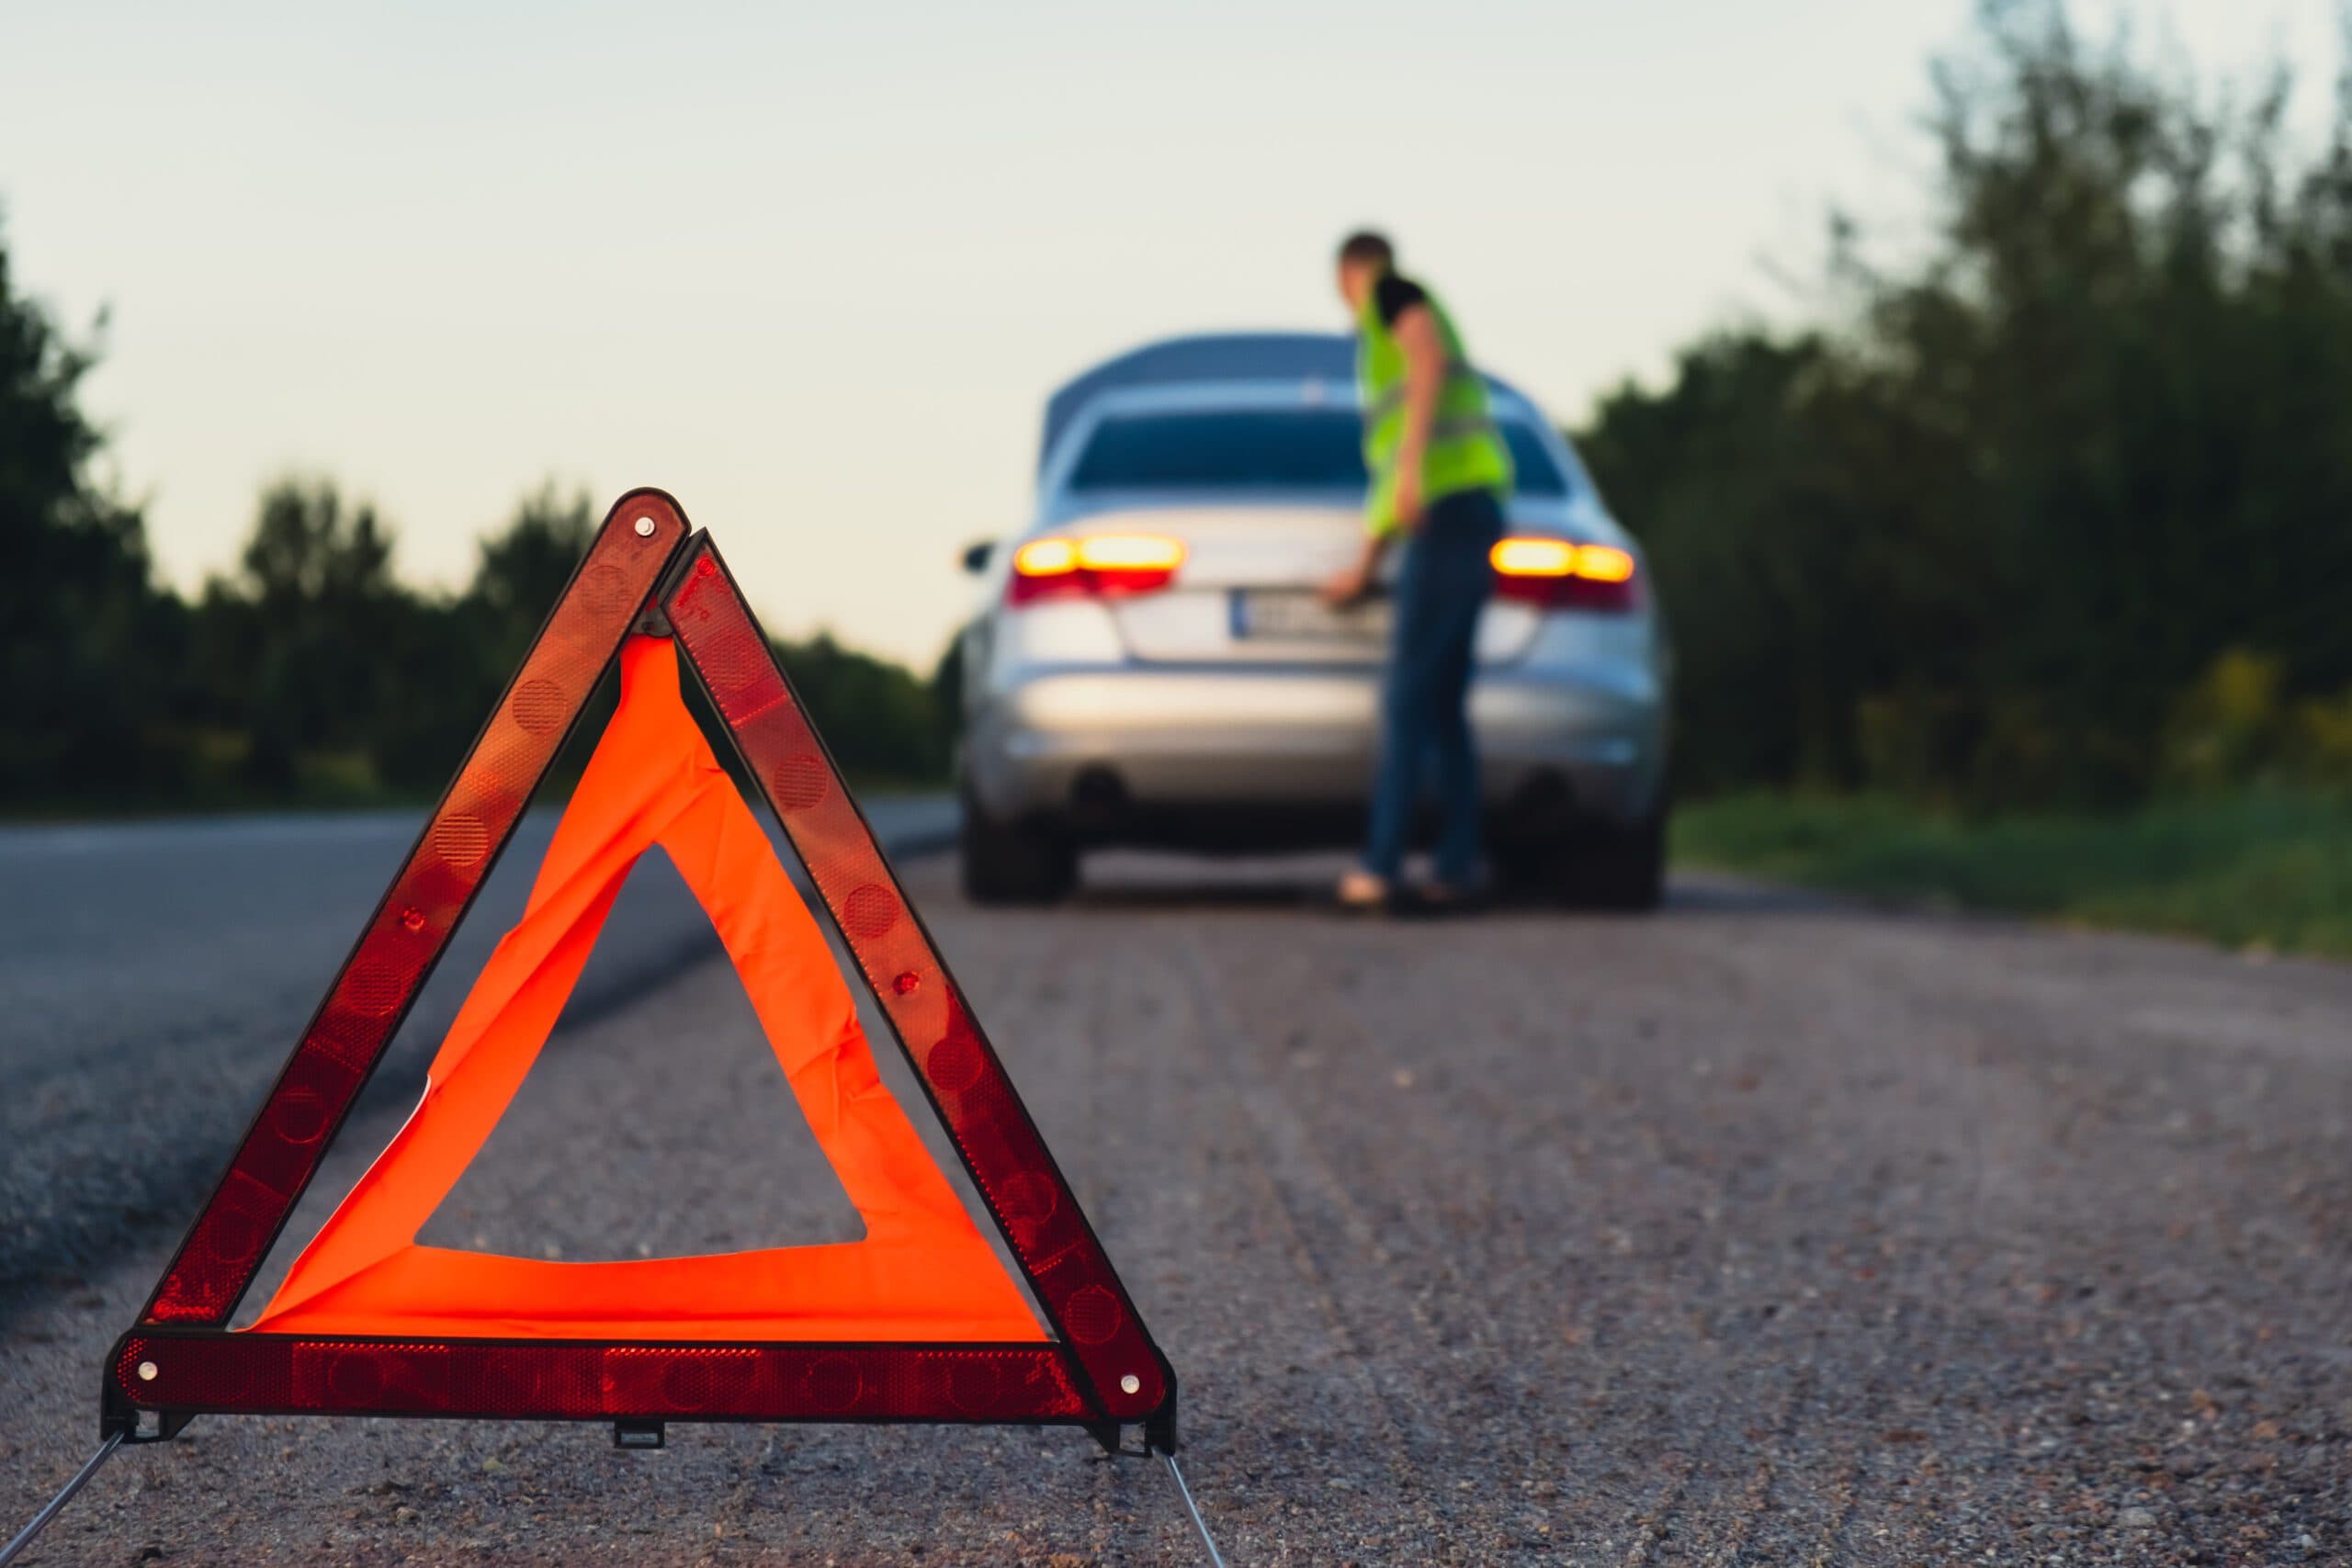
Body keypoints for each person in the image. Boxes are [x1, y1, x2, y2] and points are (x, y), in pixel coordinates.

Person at [1321, 230, 1514, 912]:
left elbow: (1426, 359)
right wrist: (1363, 567)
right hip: (1465, 510)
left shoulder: (1392, 295)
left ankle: (1381, 867)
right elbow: (1388, 482)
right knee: (1442, 702)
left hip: (1447, 513)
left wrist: (1409, 474)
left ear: (1349, 273)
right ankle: (1456, 867)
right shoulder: (1386, 324)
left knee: (1407, 699)